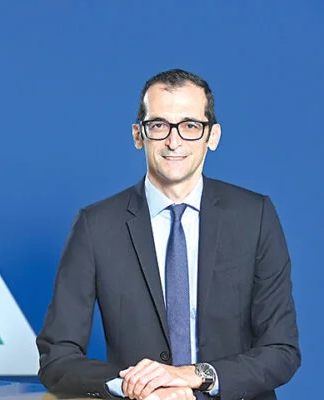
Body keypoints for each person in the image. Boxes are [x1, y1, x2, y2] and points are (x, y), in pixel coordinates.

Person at [36, 69, 301, 400]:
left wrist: (195, 375)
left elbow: (281, 350)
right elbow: (57, 359)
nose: (174, 142)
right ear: (139, 135)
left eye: (190, 126)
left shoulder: (255, 216)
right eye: (159, 125)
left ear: (212, 136)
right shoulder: (95, 226)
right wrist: (137, 385)